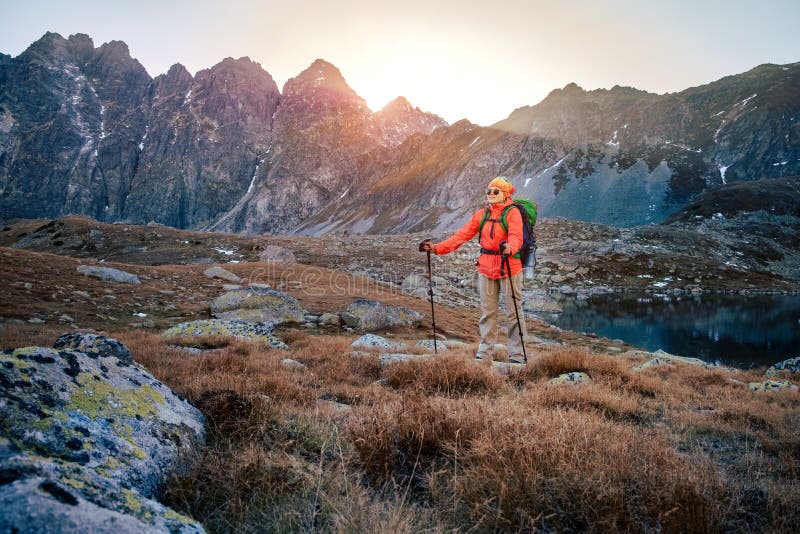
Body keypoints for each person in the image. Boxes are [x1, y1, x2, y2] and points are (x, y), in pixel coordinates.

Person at [419, 176, 529, 363]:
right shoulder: (481, 214)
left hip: (510, 267)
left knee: (514, 313)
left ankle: (517, 355)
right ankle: (484, 354)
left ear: (505, 194)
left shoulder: (513, 213)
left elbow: (516, 236)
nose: (490, 195)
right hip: (486, 268)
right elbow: (461, 235)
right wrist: (437, 248)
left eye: (495, 191)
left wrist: (510, 248)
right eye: (488, 191)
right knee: (488, 313)